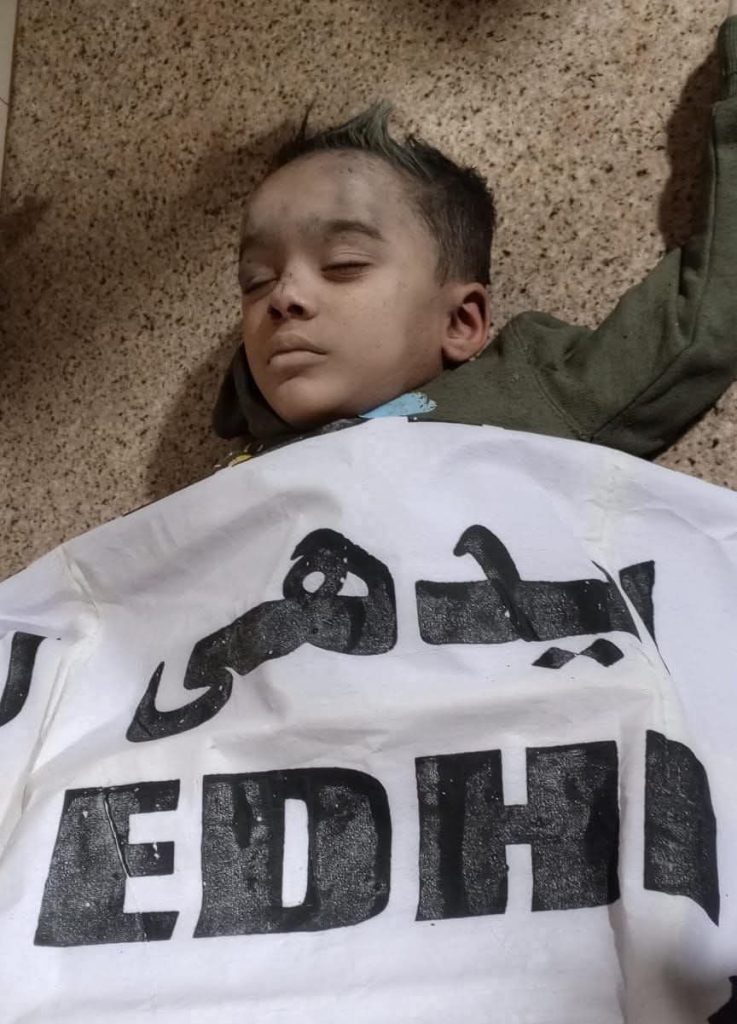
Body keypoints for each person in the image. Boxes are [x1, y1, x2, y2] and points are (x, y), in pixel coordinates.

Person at [214, 2, 737, 465]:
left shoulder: (522, 399)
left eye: (343, 263)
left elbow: (698, 323)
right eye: (256, 280)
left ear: (461, 322)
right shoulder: (234, 473)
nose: (282, 296)